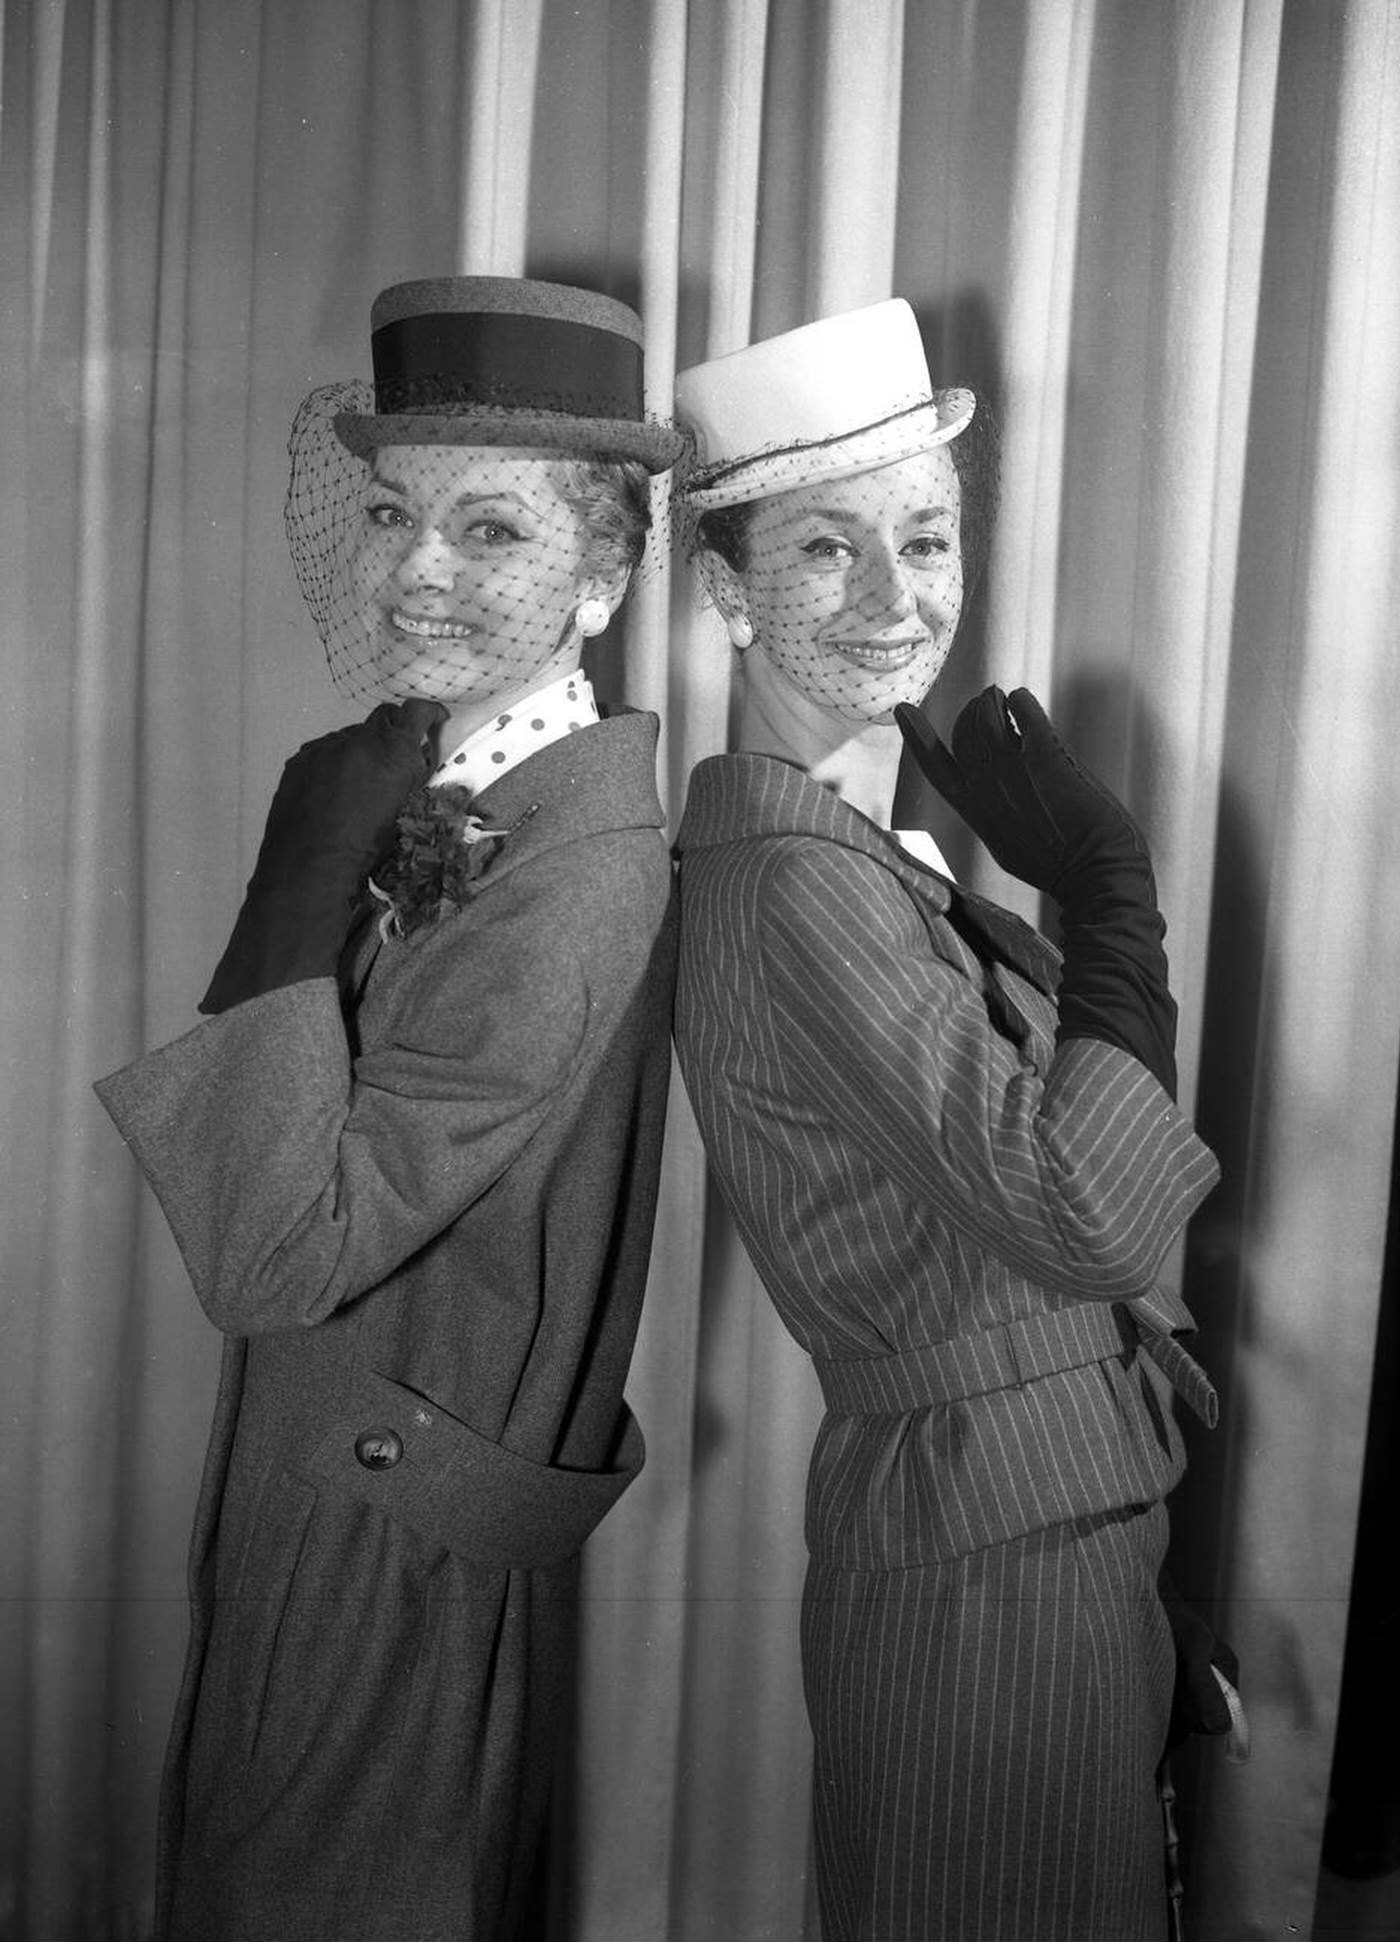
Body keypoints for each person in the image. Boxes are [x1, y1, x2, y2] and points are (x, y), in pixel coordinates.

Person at [96, 276, 683, 1942]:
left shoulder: (573, 874)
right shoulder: (462, 796)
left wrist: (293, 881)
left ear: (609, 569)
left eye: (488, 530)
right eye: (389, 514)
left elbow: (281, 1252)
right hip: (347, 1499)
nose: (414, 572)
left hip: (387, 1555)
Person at [670, 299, 1223, 1940]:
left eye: (926, 536)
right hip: (986, 1563)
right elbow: (1089, 1213)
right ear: (723, 588)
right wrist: (1114, 901)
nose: (899, 597)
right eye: (827, 550)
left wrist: (1120, 1605)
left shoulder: (846, 853)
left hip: (1027, 1530)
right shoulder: (786, 878)